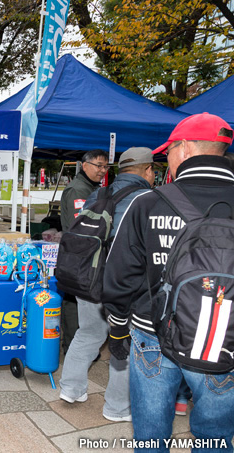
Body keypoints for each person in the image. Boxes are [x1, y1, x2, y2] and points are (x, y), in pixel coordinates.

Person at [104, 113, 234, 449]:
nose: (166, 159)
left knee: (150, 436)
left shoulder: (148, 203)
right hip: (224, 336)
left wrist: (118, 327)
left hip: (153, 334)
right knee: (217, 439)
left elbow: (119, 277)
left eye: (169, 151)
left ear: (186, 149)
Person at [59, 147, 155, 422]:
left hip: (88, 277)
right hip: (125, 284)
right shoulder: (147, 199)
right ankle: (116, 407)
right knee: (123, 340)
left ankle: (71, 389)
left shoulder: (97, 194)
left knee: (89, 332)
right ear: (148, 170)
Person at [59, 149, 109, 354]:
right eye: (98, 165)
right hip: (78, 255)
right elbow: (80, 227)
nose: (102, 171)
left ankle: (81, 346)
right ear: (84, 165)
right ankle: (72, 347)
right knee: (73, 301)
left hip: (87, 255)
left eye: (106, 167)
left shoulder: (92, 188)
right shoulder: (78, 190)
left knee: (84, 301)